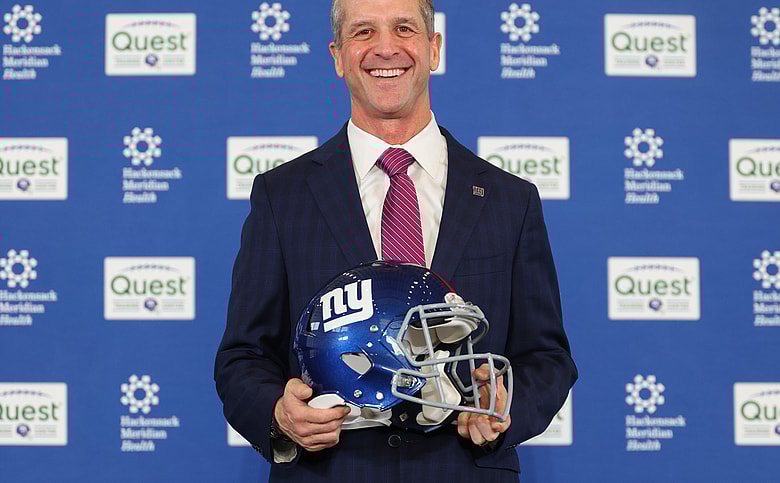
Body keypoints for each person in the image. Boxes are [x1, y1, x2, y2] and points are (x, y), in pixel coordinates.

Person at [214, 0, 577, 481]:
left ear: (434, 48)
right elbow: (243, 357)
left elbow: (547, 357)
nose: (385, 48)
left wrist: (504, 406)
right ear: (338, 56)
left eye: (404, 28)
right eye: (363, 32)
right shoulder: (282, 196)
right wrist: (279, 415)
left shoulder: (511, 199)